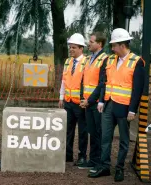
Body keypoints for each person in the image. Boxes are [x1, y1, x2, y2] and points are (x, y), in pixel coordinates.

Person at [88, 28, 145, 182]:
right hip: (108, 104)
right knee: (105, 138)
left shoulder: (136, 61)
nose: (112, 48)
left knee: (124, 141)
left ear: (122, 45)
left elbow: (137, 89)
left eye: (114, 45)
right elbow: (104, 83)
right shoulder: (110, 60)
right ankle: (104, 166)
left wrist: (133, 109)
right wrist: (100, 100)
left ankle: (119, 168)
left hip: (125, 107)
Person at [78, 32, 108, 169]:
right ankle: (93, 160)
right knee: (92, 132)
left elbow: (102, 84)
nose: (88, 43)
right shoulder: (89, 58)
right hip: (87, 102)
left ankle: (99, 162)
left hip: (96, 103)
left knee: (98, 133)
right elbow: (84, 80)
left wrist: (89, 100)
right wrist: (83, 99)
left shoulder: (105, 59)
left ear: (99, 44)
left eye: (91, 41)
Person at [58, 33, 88, 166]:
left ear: (81, 48)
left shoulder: (86, 62)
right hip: (68, 102)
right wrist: (61, 97)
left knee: (82, 131)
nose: (71, 49)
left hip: (81, 103)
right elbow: (64, 81)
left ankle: (82, 156)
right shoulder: (67, 62)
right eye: (70, 47)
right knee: (68, 130)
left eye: (74, 47)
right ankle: (68, 155)